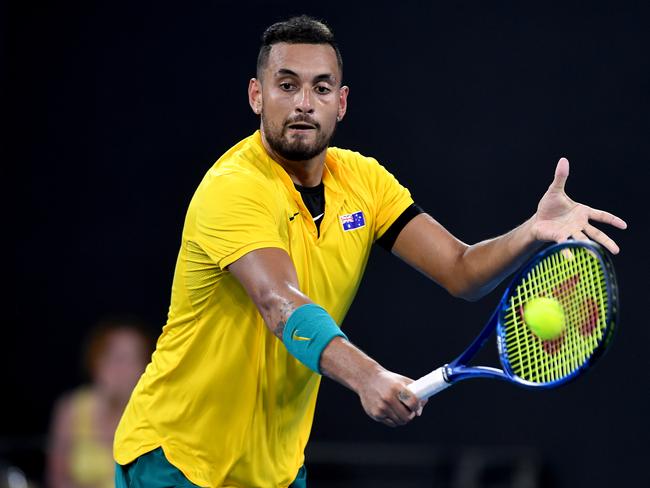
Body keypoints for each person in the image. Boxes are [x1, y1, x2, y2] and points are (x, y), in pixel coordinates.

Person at [113, 15, 627, 488]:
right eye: (286, 85)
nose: (303, 103)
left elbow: (461, 270)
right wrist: (369, 377)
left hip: (275, 471)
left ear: (341, 102)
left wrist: (531, 231)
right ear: (256, 95)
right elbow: (279, 303)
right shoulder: (234, 187)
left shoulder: (364, 182)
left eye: (321, 87)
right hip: (174, 459)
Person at [47, 318, 153, 488]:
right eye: (115, 357)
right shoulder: (71, 408)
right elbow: (57, 478)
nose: (122, 369)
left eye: (132, 359)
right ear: (97, 361)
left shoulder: (153, 413)